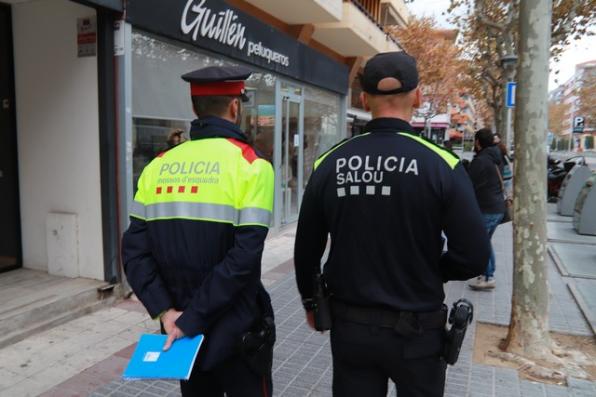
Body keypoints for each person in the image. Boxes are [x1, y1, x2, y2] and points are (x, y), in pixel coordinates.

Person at [294, 52, 490, 397]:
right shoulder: (442, 164)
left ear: (364, 99)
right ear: (418, 96)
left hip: (350, 327)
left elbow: (306, 246)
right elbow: (473, 255)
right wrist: (435, 268)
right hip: (418, 331)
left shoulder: (329, 162)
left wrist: (312, 302)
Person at [121, 66, 275, 397]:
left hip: (182, 338)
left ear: (194, 109)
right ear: (236, 106)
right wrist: (193, 317)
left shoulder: (157, 166)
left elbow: (134, 252)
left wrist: (167, 312)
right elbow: (244, 258)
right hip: (238, 335)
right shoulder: (252, 165)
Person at [467, 128, 507, 290]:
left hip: (487, 208)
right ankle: (487, 273)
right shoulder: (496, 157)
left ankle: (488, 276)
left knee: (481, 242)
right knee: (485, 242)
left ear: (478, 142)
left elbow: (469, 183)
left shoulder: (481, 160)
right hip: (497, 207)